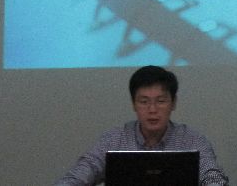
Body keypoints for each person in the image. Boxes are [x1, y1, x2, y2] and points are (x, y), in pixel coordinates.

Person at [54, 65, 228, 186]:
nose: (152, 109)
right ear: (133, 104)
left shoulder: (192, 140)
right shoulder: (114, 139)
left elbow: (212, 175)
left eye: (161, 101)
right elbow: (81, 173)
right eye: (144, 102)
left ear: (173, 103)